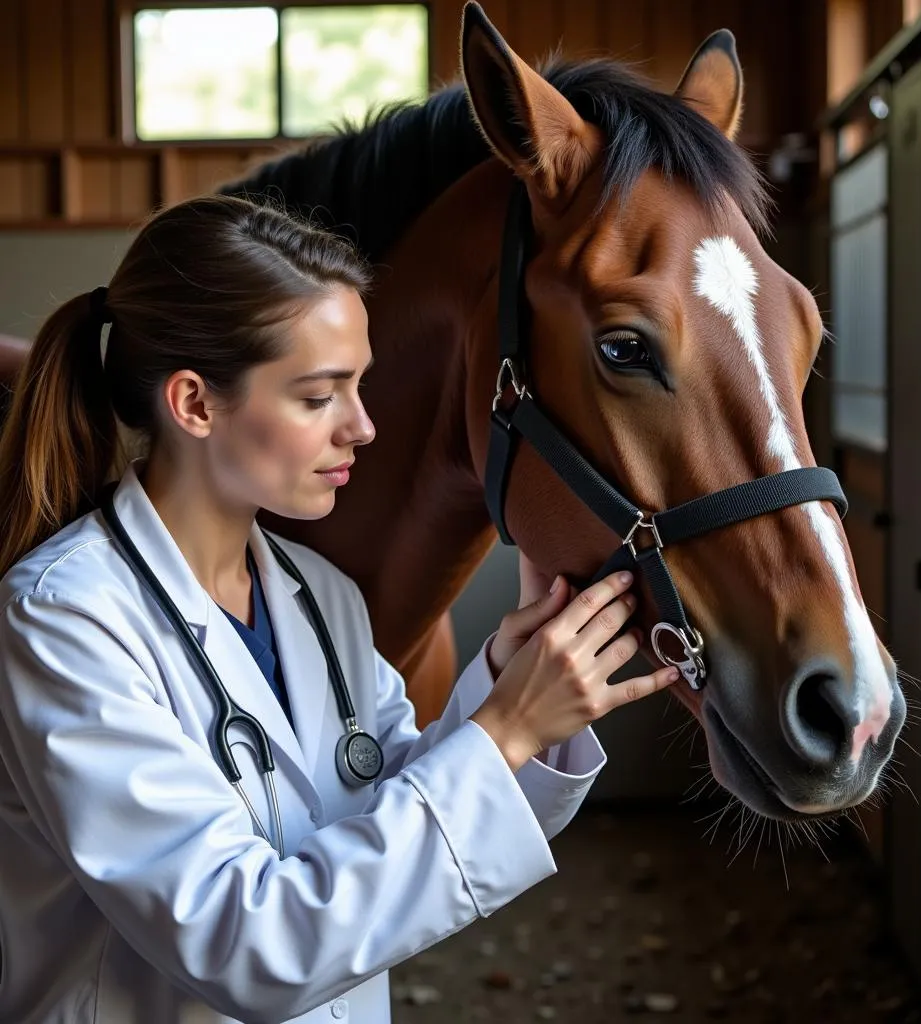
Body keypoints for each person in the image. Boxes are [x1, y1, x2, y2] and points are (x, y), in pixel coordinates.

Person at [0, 194, 681, 1024]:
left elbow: (395, 793)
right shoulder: (64, 618)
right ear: (194, 405)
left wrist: (511, 685)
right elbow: (242, 942)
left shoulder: (318, 597)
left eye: (360, 386)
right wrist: (505, 732)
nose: (362, 427)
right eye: (319, 396)